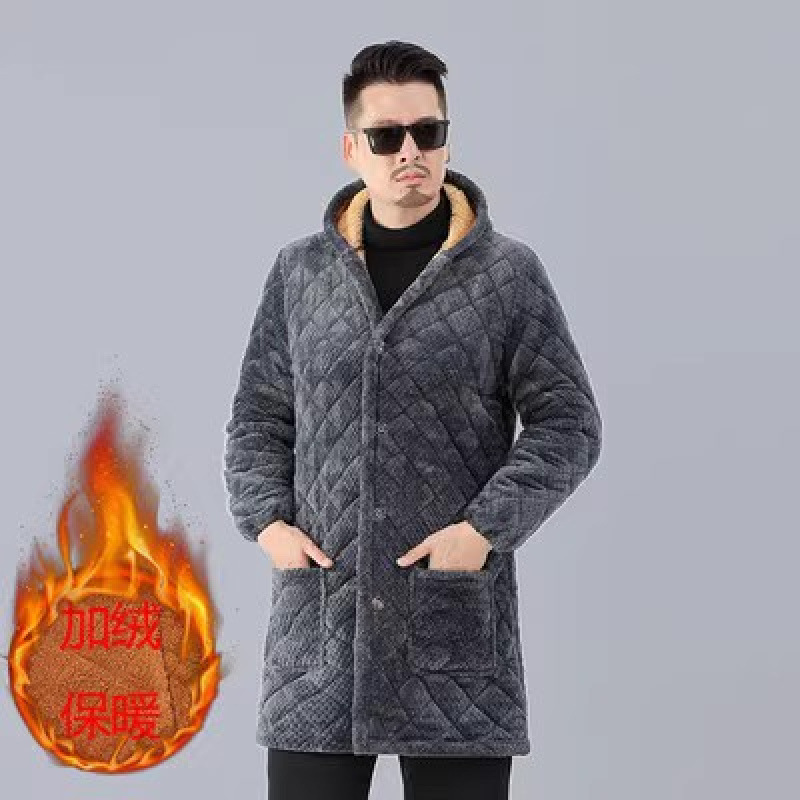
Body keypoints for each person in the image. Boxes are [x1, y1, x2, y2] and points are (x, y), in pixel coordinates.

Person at [223, 40, 603, 800]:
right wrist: (268, 524)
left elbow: (569, 424)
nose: (409, 153)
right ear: (351, 149)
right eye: (386, 136)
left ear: (446, 142)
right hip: (323, 624)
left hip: (450, 618)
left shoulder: (507, 275)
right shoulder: (300, 273)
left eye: (427, 133)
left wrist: (483, 532)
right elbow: (259, 414)